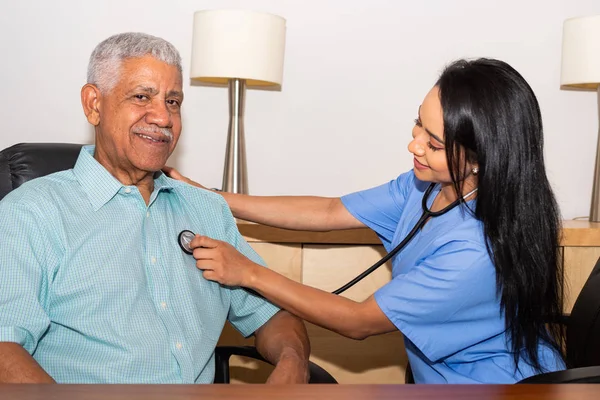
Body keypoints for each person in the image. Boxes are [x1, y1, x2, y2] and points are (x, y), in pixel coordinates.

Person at [165, 58, 566, 384]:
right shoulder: (426, 186)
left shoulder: (475, 252)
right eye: (418, 125)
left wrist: (248, 273)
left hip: (500, 389)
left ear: (479, 160)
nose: (414, 145)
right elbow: (328, 211)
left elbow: (358, 322)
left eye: (434, 143)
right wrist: (211, 196)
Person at [0, 32, 310, 384]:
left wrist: (292, 362)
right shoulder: (31, 213)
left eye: (173, 102)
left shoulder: (207, 209)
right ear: (93, 104)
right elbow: (4, 346)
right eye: (142, 96)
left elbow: (272, 316)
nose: (163, 117)